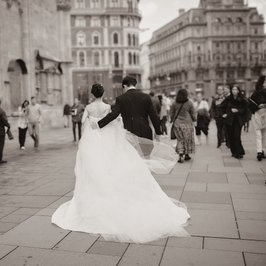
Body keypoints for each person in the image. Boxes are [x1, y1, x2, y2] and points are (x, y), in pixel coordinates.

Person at [52, 83, 190, 243]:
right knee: (110, 163)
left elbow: (84, 122)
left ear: (92, 94)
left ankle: (97, 190)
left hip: (92, 139)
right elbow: (113, 120)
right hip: (108, 137)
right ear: (103, 93)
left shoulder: (89, 107)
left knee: (92, 167)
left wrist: (92, 125)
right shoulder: (108, 106)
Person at [95, 76, 162, 140]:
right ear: (135, 85)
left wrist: (99, 124)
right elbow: (154, 115)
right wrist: (158, 132)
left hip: (130, 133)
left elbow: (113, 115)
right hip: (145, 132)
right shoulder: (146, 97)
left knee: (131, 152)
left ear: (124, 86)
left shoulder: (121, 99)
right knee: (145, 152)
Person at [170, 89, 197, 163]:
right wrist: (194, 120)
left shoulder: (174, 103)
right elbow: (193, 113)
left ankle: (180, 155)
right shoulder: (189, 103)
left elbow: (171, 113)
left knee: (180, 139)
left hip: (177, 124)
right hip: (187, 123)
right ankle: (187, 155)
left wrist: (172, 120)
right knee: (188, 139)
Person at [222, 85, 249, 159]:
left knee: (236, 136)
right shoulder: (228, 99)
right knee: (230, 136)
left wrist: (238, 110)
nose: (234, 91)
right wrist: (224, 114)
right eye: (233, 89)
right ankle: (233, 152)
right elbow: (222, 106)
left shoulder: (242, 99)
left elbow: (245, 109)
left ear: (238, 91)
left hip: (238, 120)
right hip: (230, 120)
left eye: (235, 89)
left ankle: (239, 152)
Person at [249, 76, 266, 161]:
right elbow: (250, 104)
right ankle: (260, 151)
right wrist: (259, 106)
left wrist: (264, 105)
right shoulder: (263, 92)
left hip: (263, 114)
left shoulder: (259, 92)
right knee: (261, 134)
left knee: (262, 134)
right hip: (260, 114)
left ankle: (260, 151)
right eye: (265, 82)